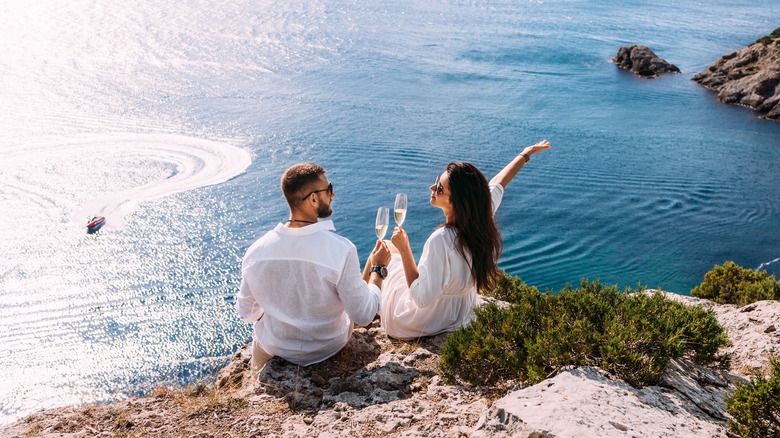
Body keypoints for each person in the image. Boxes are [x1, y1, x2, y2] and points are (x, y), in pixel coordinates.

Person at [380, 140, 551, 340]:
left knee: (387, 252)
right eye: (437, 180)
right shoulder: (481, 219)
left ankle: (362, 310)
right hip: (459, 315)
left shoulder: (440, 240)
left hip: (420, 322)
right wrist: (525, 154)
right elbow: (498, 183)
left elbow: (420, 298)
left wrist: (405, 250)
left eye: (440, 188)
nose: (431, 187)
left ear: (457, 202)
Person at [236, 162, 391, 370]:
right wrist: (377, 269)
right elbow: (364, 316)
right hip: (328, 348)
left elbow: (247, 314)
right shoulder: (340, 249)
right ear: (313, 198)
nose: (332, 195)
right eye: (329, 190)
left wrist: (279, 313)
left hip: (274, 350)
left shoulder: (256, 251)